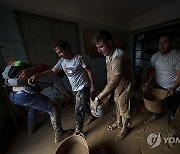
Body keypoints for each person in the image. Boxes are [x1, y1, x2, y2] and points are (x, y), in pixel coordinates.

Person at [29, 40, 96, 136]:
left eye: (60, 52)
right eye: (57, 53)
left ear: (67, 49)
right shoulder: (62, 61)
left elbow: (89, 71)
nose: (59, 55)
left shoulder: (79, 58)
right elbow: (52, 71)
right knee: (82, 104)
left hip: (83, 86)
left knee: (78, 109)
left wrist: (92, 85)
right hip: (75, 88)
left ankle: (78, 130)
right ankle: (91, 115)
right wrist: (37, 76)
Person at [2, 60, 73, 143]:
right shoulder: (55, 76)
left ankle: (31, 128)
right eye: (63, 74)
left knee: (34, 106)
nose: (63, 76)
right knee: (53, 109)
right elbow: (66, 92)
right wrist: (73, 98)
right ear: (61, 72)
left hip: (14, 95)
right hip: (25, 94)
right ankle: (59, 134)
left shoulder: (44, 68)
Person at [91, 30, 135, 141]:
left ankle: (125, 128)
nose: (98, 50)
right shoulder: (108, 55)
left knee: (123, 105)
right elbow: (108, 73)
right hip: (116, 84)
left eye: (101, 47)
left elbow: (114, 82)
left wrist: (98, 98)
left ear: (109, 44)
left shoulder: (119, 58)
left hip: (126, 85)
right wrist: (108, 89)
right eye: (97, 47)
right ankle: (118, 122)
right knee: (116, 104)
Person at [144, 33, 180, 135]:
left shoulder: (177, 55)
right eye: (160, 43)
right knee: (154, 101)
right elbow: (151, 71)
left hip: (174, 87)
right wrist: (148, 81)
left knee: (171, 108)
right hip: (159, 85)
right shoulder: (155, 56)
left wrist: (173, 88)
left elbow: (179, 76)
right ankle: (156, 114)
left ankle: (172, 127)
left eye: (165, 42)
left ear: (171, 43)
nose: (161, 45)